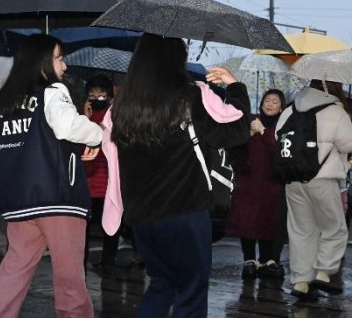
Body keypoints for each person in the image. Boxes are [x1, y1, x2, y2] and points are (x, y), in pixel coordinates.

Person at [109, 34, 250, 317]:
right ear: (175, 61)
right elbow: (234, 130)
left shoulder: (122, 106)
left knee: (162, 284)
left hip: (142, 219)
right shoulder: (190, 95)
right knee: (191, 290)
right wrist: (235, 87)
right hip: (185, 212)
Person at [0, 34, 102, 318]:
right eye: (59, 58)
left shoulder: (2, 102)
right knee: (70, 280)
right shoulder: (52, 91)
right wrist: (99, 135)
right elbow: (66, 126)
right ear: (43, 61)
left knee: (12, 276)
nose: (64, 66)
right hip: (57, 197)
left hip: (19, 202)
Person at [276, 79, 352, 300]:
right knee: (334, 227)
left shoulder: (290, 109)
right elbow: (349, 144)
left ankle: (301, 282)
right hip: (323, 179)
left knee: (301, 231)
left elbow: (279, 136)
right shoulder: (335, 110)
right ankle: (323, 273)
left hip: (293, 179)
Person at [226, 88, 287, 279]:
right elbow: (235, 148)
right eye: (267, 100)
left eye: (275, 102)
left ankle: (267, 260)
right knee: (247, 220)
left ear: (281, 108)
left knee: (268, 221)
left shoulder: (282, 127)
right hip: (248, 181)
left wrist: (265, 132)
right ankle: (249, 260)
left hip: (272, 183)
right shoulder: (250, 121)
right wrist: (248, 133)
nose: (269, 104)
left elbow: (280, 152)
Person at [81, 74, 120, 276]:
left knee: (109, 226)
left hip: (107, 182)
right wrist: (84, 120)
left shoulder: (113, 117)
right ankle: (81, 264)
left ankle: (108, 263)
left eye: (101, 94)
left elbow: (104, 137)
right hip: (87, 181)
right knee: (83, 229)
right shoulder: (82, 116)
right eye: (92, 94)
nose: (96, 98)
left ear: (110, 97)